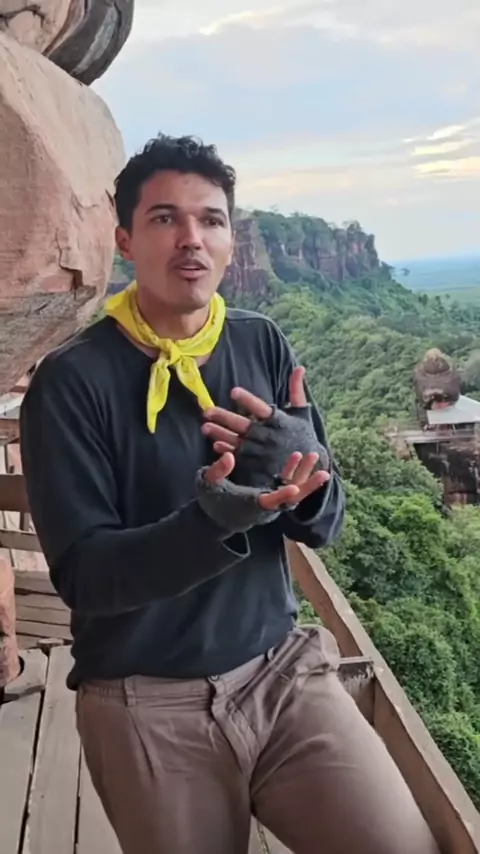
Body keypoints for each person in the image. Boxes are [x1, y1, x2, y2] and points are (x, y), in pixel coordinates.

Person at [19, 134, 439, 854]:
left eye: (211, 220)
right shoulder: (72, 383)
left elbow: (324, 524)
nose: (192, 238)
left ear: (228, 240)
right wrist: (211, 521)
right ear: (125, 240)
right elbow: (86, 576)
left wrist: (303, 471)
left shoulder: (261, 343)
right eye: (164, 218)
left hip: (281, 672)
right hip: (145, 699)